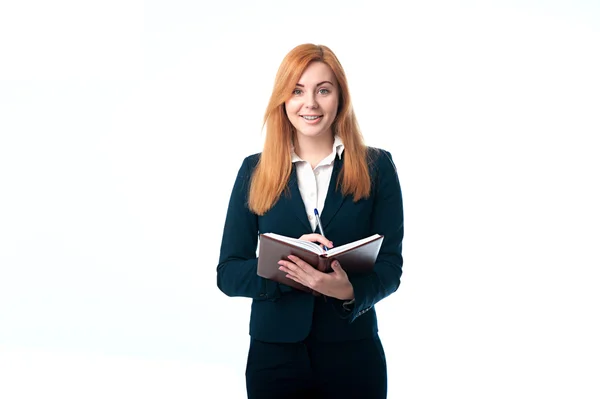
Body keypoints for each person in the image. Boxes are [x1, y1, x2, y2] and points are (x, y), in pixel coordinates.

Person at [216, 43, 404, 399]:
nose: (310, 104)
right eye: (297, 91)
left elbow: (390, 266)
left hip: (353, 353)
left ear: (340, 98)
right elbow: (228, 273)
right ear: (283, 100)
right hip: (275, 357)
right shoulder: (253, 171)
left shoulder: (377, 167)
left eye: (323, 90)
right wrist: (291, 268)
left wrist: (348, 291)